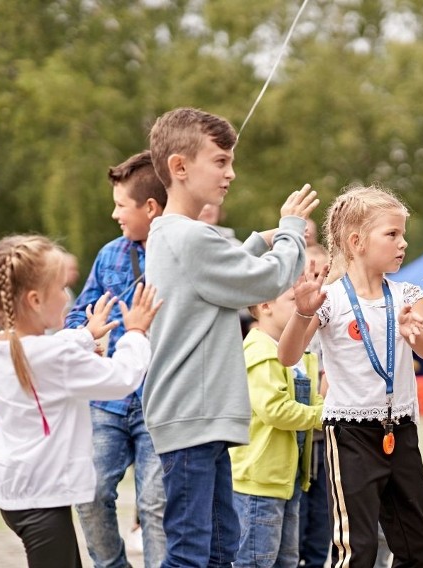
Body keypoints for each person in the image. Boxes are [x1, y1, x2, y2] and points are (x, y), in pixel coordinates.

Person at [143, 107, 318, 567]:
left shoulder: (175, 235)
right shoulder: (191, 238)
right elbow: (265, 282)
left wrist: (258, 243)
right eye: (220, 161)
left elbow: (215, 285)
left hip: (199, 419)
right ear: (180, 168)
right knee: (190, 552)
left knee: (221, 550)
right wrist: (292, 232)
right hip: (191, 418)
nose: (231, 173)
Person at [277, 184, 423, 567]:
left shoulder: (408, 294)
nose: (403, 243)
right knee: (357, 546)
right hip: (350, 432)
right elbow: (287, 356)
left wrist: (417, 332)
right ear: (357, 241)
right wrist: (302, 313)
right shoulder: (330, 299)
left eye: (403, 234)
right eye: (392, 234)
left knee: (417, 541)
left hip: (400, 428)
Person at [0, 234, 161, 568]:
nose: (67, 297)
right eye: (60, 289)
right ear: (35, 300)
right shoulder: (55, 356)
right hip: (42, 501)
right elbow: (122, 377)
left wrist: (85, 335)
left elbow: (51, 353)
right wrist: (135, 332)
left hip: (15, 492)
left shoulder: (0, 345)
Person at [64, 150, 168, 568]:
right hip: (107, 402)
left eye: (120, 205)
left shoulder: (183, 252)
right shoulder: (109, 255)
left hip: (159, 403)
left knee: (156, 508)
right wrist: (87, 332)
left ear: (150, 207)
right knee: (88, 495)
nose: (113, 214)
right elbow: (79, 314)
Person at [229, 286, 324, 568]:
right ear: (265, 305)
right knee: (256, 561)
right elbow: (275, 409)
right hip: (260, 482)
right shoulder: (259, 350)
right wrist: (325, 415)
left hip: (286, 480)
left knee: (286, 561)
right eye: (294, 300)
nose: (304, 305)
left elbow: (315, 398)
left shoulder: (299, 355)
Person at [297, 244, 332, 568]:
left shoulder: (335, 311)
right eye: (311, 270)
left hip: (325, 435)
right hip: (297, 432)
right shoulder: (292, 316)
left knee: (323, 514)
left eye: (324, 270)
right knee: (298, 512)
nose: (318, 277)